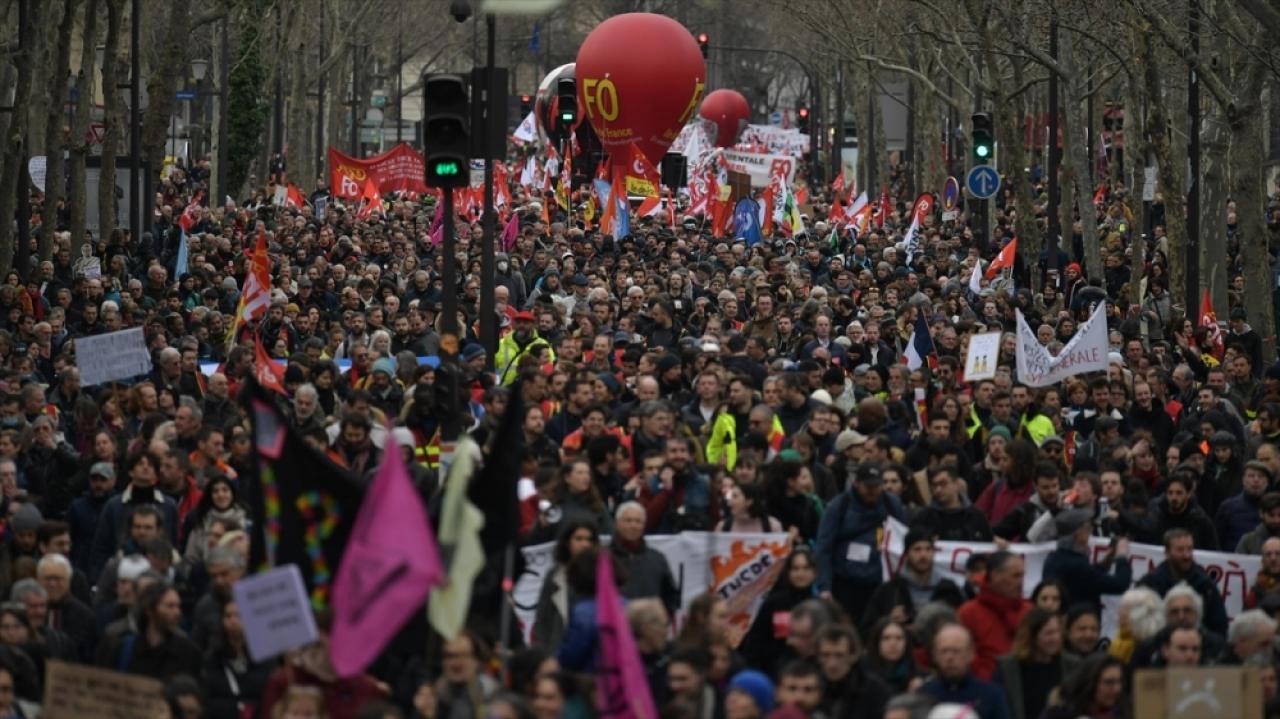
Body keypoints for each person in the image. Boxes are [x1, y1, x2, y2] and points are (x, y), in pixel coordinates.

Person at [816, 462, 905, 620]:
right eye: (868, 486)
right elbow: (824, 548)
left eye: (876, 486)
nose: (872, 491)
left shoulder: (892, 504)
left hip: (879, 583)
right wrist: (824, 587)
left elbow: (902, 542)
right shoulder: (838, 506)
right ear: (857, 484)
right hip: (845, 584)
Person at [862, 528, 965, 635]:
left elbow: (964, 627)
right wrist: (889, 622)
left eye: (928, 549)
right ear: (906, 555)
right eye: (917, 549)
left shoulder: (949, 590)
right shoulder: (889, 591)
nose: (923, 555)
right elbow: (866, 631)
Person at [1138, 528, 1229, 635]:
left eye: (1189, 549)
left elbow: (1219, 625)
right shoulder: (1150, 583)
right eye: (1180, 550)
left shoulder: (1205, 585)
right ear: (1167, 552)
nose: (1186, 555)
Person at [956, 551, 1030, 680]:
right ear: (995, 575)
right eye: (1015, 576)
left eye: (1022, 576)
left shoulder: (1029, 611)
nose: (1020, 582)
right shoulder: (968, 613)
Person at [1041, 508, 1132, 609]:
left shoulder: (1053, 558)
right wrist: (1122, 557)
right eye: (1088, 528)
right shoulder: (1078, 565)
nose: (1090, 532)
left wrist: (1105, 561)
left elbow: (1087, 580)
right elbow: (1119, 584)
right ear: (1078, 534)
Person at [993, 608, 1075, 719]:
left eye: (1058, 632)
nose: (1055, 638)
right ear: (1031, 636)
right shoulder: (1008, 668)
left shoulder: (1072, 665)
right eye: (1049, 633)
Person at [918, 623, 1011, 719]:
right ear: (935, 656)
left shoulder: (991, 696)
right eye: (944, 651)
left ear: (971, 654)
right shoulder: (923, 695)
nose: (949, 658)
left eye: (956, 651)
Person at [1039, 654, 1130, 719]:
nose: (1117, 689)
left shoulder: (1123, 711)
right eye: (1109, 682)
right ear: (1090, 682)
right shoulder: (1059, 712)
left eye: (1119, 681)